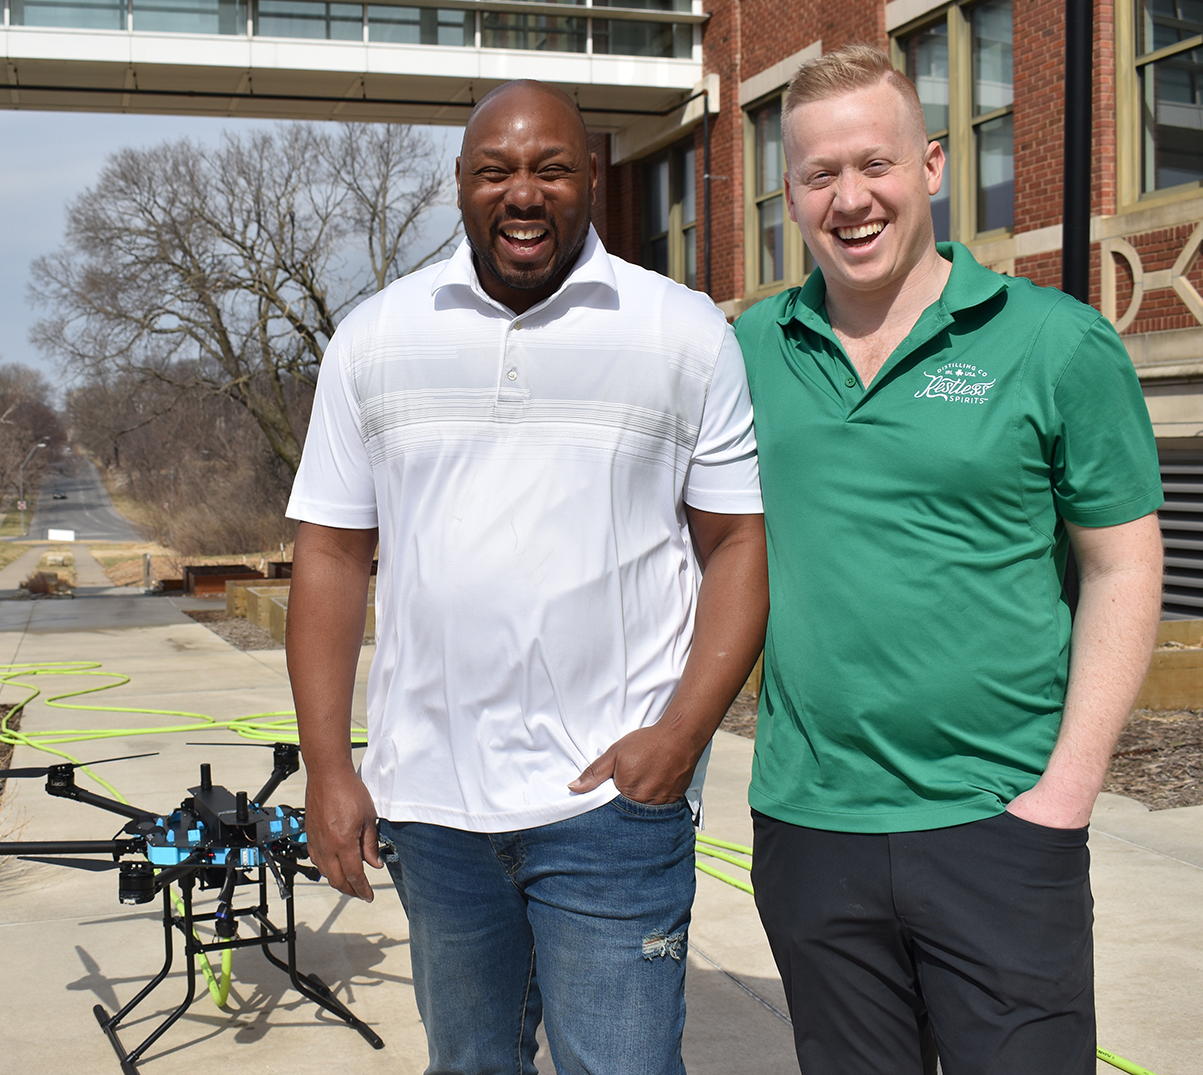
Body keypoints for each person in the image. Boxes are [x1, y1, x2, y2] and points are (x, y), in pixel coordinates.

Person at [284, 79, 768, 1075]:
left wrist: (679, 740)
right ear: (459, 183)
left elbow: (736, 546)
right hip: (433, 807)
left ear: (588, 177)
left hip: (611, 810)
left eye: (551, 169)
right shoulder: (376, 338)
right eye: (495, 171)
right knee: (470, 1063)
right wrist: (330, 767)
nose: (523, 193)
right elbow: (329, 555)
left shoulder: (681, 332)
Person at [733, 45, 1164, 1075]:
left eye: (873, 164)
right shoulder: (747, 353)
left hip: (1000, 819)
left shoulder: (1055, 342)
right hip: (812, 827)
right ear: (789, 196)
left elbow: (1124, 566)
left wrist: (1063, 794)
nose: (850, 199)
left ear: (930, 166)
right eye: (819, 175)